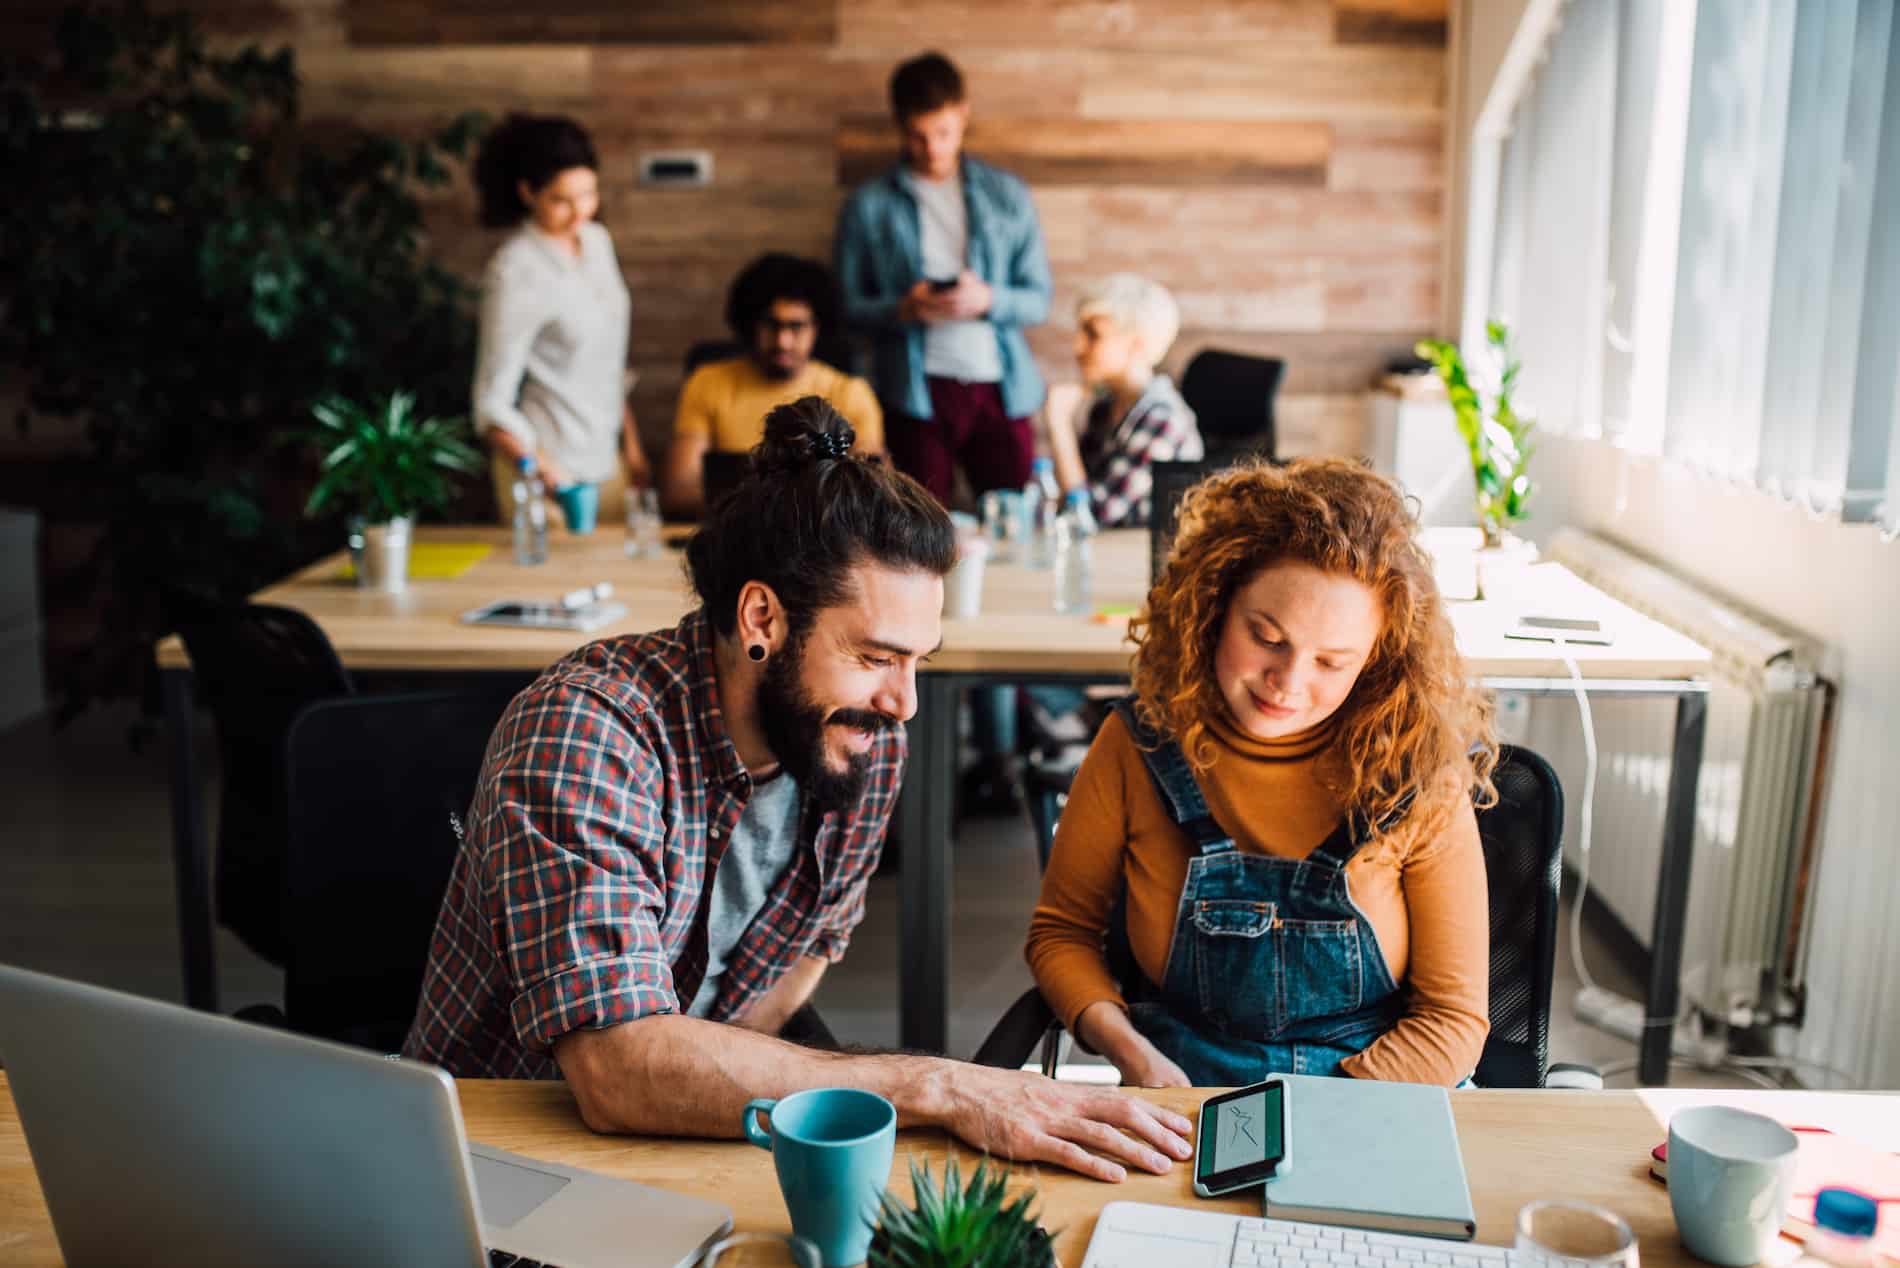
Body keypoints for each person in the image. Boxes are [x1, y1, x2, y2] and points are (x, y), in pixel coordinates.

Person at [405, 398, 1193, 1183]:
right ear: (762, 618)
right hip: (494, 1175)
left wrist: (710, 1099)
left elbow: (808, 946)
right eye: (877, 656)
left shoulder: (864, 743)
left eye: (919, 659)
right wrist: (939, 1083)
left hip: (674, 1153)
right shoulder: (591, 732)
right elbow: (617, 1068)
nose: (905, 702)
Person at [1025, 459, 1496, 1088]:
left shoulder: (1417, 770)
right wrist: (1129, 1052)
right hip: (1184, 1085)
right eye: (1267, 636)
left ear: (1375, 663)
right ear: (1213, 607)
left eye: (1332, 661)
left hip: (1381, 1093)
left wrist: (1321, 1127)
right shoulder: (1137, 745)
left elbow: (1452, 1018)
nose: (1289, 682)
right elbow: (1062, 933)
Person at [834, 50, 1052, 507]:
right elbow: (845, 309)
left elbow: (1039, 299)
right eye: (917, 136)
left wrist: (988, 299)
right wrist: (903, 308)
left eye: (943, 132)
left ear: (964, 115)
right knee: (916, 531)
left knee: (1015, 519)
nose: (932, 148)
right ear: (898, 124)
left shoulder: (1007, 195)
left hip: (1001, 386)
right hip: (914, 390)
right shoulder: (867, 206)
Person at [470, 113, 651, 521]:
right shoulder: (516, 269)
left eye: (588, 194)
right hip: (547, 475)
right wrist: (543, 472)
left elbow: (607, 363)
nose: (579, 212)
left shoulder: (597, 243)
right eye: (561, 200)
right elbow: (490, 403)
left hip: (608, 463)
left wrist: (633, 449)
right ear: (527, 192)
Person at [661, 253, 884, 517]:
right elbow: (678, 491)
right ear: (751, 325)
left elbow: (875, 491)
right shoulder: (707, 383)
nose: (783, 341)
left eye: (796, 326)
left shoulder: (851, 392)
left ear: (817, 328)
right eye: (772, 325)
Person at [1044, 274, 1204, 529]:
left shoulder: (1161, 420)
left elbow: (1088, 516)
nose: (1078, 346)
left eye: (1093, 334)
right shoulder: (1106, 407)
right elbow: (1071, 493)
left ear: (1136, 345)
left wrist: (1059, 424)